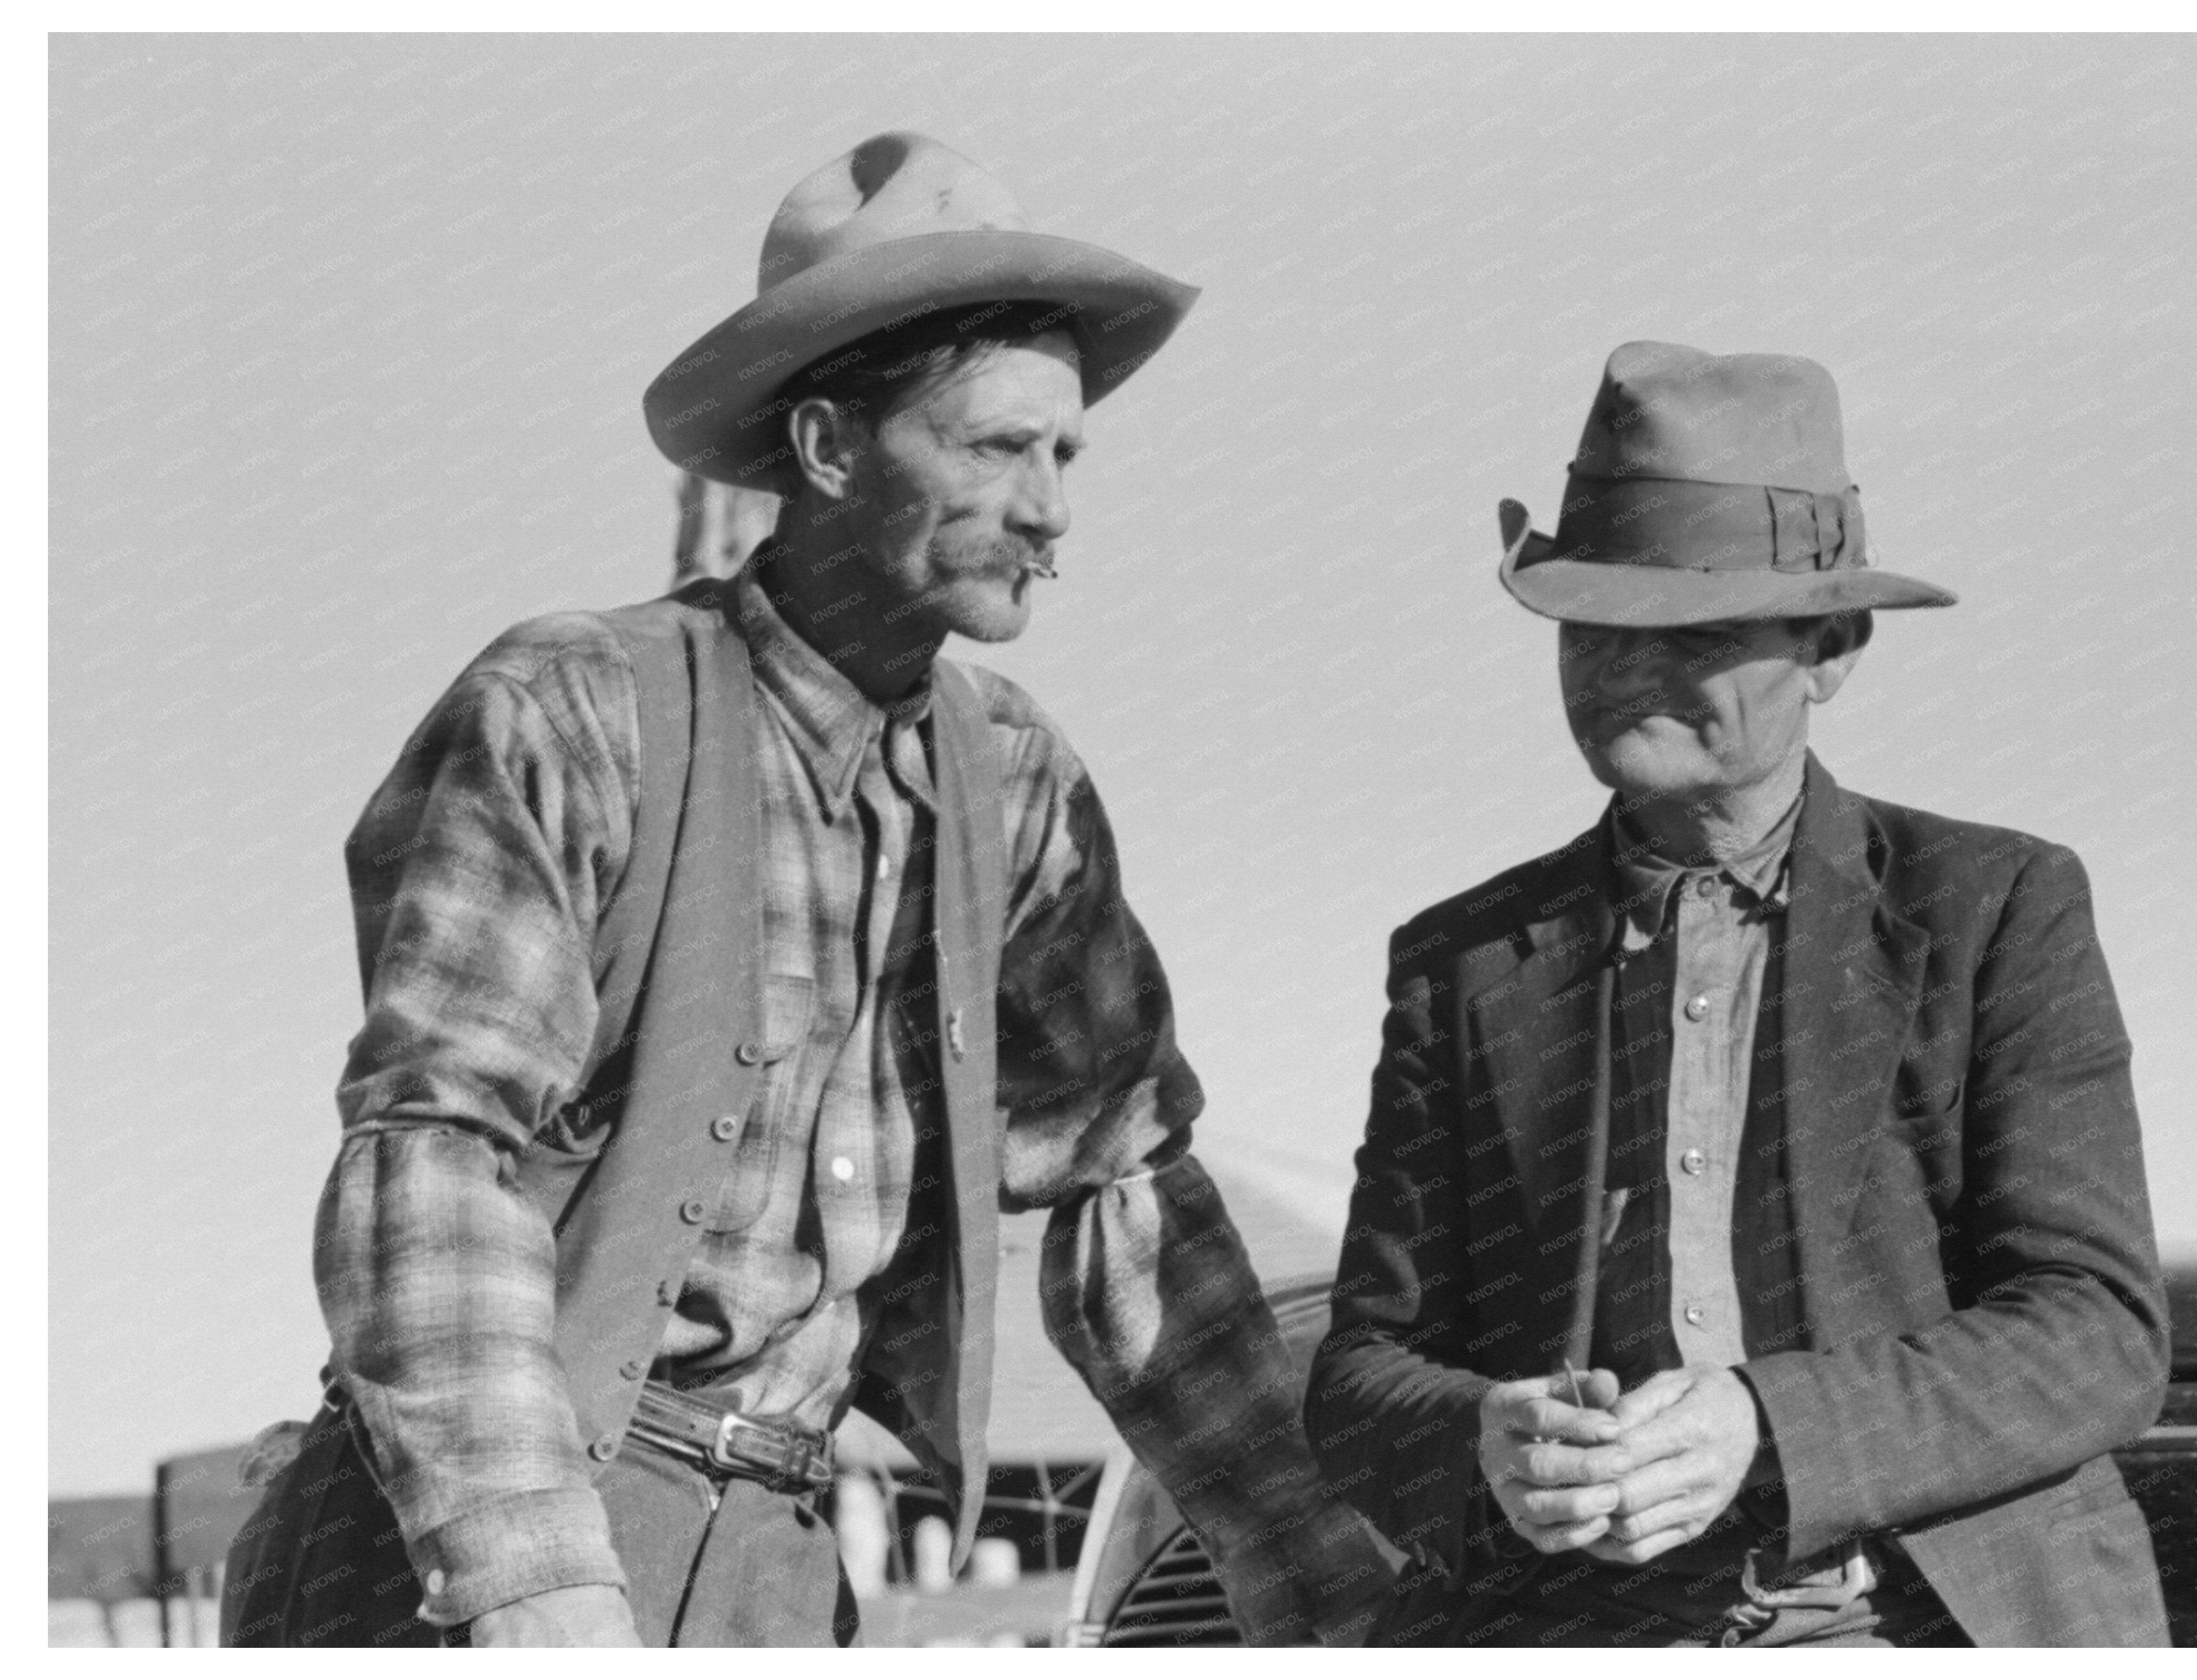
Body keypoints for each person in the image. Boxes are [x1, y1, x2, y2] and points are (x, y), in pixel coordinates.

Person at [225, 131, 1389, 1648]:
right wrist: (535, 1586)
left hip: (777, 1558)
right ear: (832, 449)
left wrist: (1314, 1559)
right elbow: (433, 1160)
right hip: (470, 1551)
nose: (1050, 508)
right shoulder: (577, 709)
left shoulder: (1019, 781)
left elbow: (1125, 1196)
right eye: (992, 449)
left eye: (1065, 453)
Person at [1306, 342, 2172, 1647]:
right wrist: (1477, 1438)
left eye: (1689, 629)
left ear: (1832, 648)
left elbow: (2093, 1332)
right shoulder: (1464, 959)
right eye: (1592, 622)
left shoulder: (1993, 907)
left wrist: (1764, 1422)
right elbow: (1361, 1374)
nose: (1622, 664)